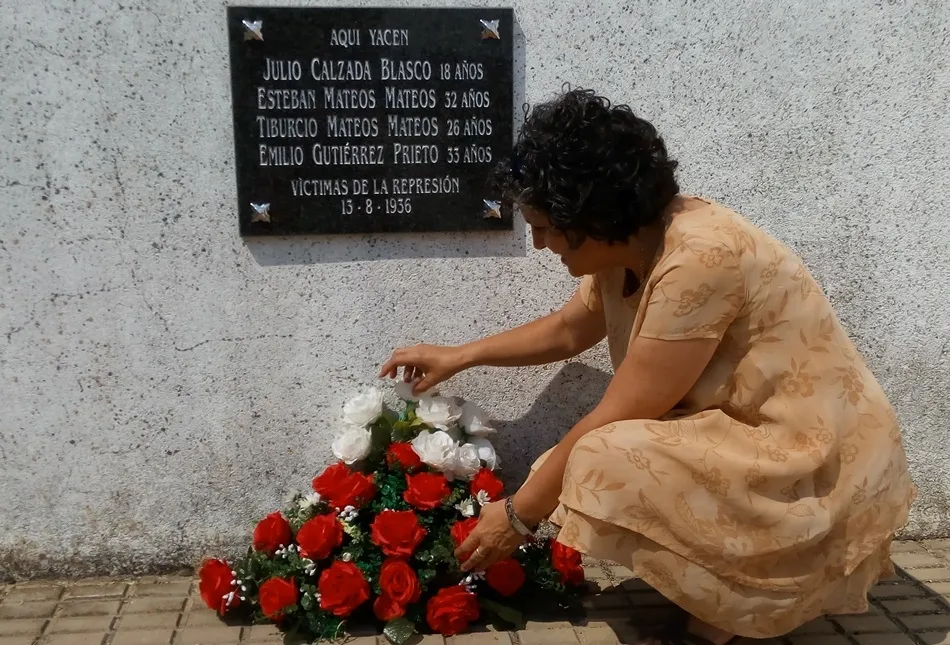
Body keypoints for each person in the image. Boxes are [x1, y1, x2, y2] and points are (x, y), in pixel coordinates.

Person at [378, 88, 916, 645]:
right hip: (744, 433)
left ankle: (724, 617)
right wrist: (460, 356)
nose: (538, 244)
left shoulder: (699, 257)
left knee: (598, 459)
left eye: (543, 226)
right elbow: (569, 329)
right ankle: (718, 595)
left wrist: (516, 517)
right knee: (581, 465)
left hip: (807, 453)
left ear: (589, 216)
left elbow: (624, 409)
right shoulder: (629, 244)